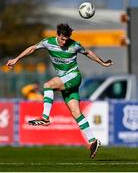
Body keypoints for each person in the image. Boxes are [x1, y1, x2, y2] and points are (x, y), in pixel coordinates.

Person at [6, 23, 113, 159]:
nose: (64, 42)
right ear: (58, 35)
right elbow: (32, 48)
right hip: (65, 80)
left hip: (74, 76)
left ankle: (45, 118)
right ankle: (93, 141)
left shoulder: (74, 45)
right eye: (62, 38)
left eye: (66, 39)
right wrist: (16, 59)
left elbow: (88, 52)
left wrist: (102, 62)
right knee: (76, 112)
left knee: (48, 85)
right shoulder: (48, 42)